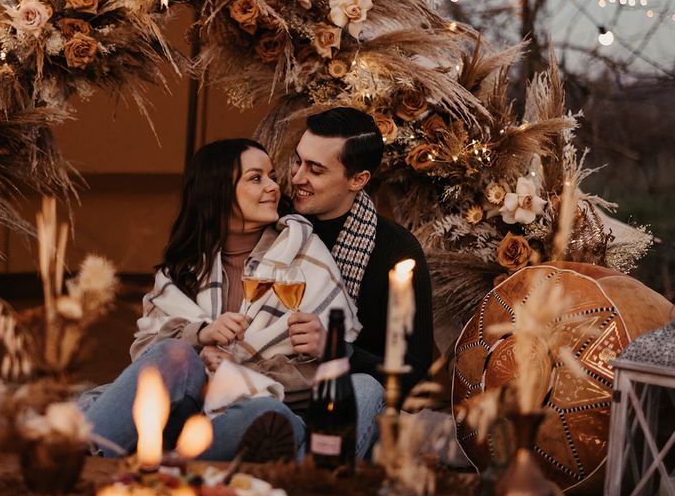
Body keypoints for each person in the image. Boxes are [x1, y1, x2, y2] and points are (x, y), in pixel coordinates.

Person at [80, 138, 362, 460]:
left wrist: (238, 375)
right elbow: (147, 357)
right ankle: (80, 454)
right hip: (178, 408)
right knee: (174, 354)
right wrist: (199, 335)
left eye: (271, 176)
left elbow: (322, 372)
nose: (273, 187)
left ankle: (167, 465)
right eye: (256, 178)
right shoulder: (184, 267)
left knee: (269, 417)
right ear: (219, 191)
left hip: (249, 411)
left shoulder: (305, 256)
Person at [288, 107, 434, 397]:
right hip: (274, 380)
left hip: (348, 398)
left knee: (365, 389)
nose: (297, 178)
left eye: (315, 170)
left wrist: (338, 350)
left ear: (358, 180)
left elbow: (412, 373)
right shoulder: (281, 226)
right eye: (297, 161)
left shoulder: (396, 251)